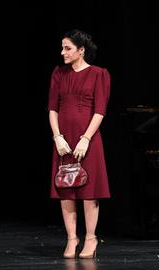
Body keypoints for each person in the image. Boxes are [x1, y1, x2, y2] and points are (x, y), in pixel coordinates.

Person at [48, 29, 110, 259]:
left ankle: (91, 238)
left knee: (88, 191)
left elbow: (100, 111)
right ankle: (72, 238)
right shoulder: (59, 73)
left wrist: (86, 138)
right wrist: (57, 137)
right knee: (66, 188)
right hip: (64, 139)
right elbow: (52, 108)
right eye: (62, 47)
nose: (62, 52)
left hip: (88, 139)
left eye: (68, 48)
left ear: (81, 50)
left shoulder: (98, 74)